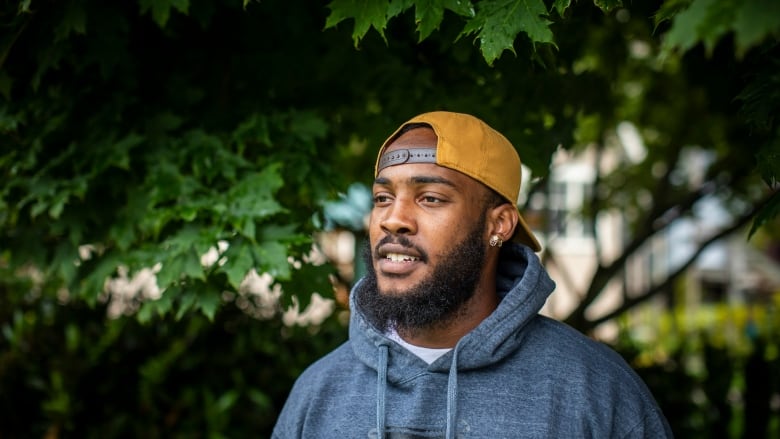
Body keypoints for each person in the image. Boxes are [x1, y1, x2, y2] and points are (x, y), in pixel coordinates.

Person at [272, 111, 673, 438]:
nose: (393, 219)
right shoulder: (318, 392)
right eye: (383, 198)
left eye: (430, 198)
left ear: (498, 225)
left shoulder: (593, 390)